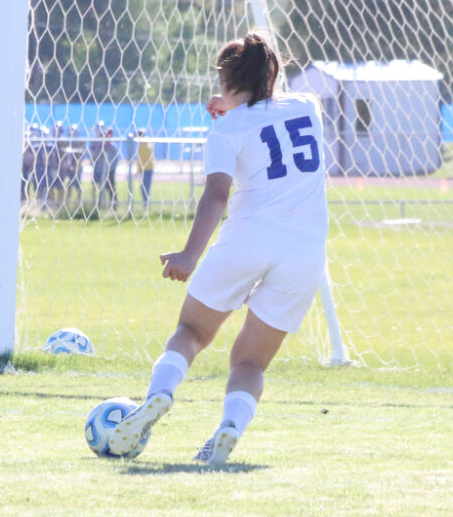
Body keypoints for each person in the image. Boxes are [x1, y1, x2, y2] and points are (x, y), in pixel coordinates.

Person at [108, 31, 327, 465]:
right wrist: (236, 98)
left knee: (191, 332)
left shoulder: (226, 129)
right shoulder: (308, 107)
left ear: (226, 79)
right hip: (306, 253)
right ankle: (229, 428)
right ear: (274, 73)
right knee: (249, 362)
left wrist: (190, 255)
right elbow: (270, 108)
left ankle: (159, 396)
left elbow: (216, 195)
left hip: (248, 238)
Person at [134, 128, 155, 210]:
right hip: (147, 168)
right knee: (145, 187)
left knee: (145, 188)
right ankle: (146, 204)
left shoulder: (143, 145)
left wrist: (138, 170)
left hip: (146, 169)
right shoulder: (146, 143)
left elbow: (141, 159)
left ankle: (146, 205)